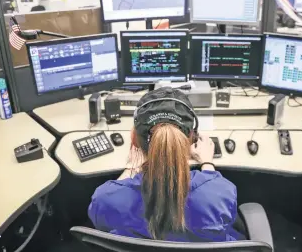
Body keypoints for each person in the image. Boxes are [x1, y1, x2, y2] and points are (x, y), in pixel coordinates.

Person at [88, 87, 246, 242]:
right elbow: (223, 208)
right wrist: (207, 162)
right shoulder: (220, 193)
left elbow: (100, 224)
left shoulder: (105, 199)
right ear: (191, 138)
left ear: (134, 139)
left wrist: (131, 167)